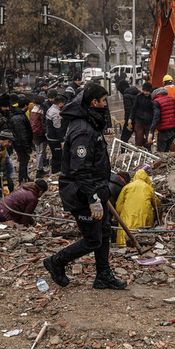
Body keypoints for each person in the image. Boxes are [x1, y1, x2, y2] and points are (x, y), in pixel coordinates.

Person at [43, 83, 127, 290]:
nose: (106, 105)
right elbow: (80, 170)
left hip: (96, 189)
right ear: (94, 102)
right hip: (81, 193)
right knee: (92, 240)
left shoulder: (91, 123)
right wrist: (93, 199)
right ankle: (56, 262)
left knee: (105, 232)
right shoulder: (83, 130)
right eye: (104, 101)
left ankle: (103, 275)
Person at [115, 168, 160, 247]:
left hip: (127, 216)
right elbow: (157, 204)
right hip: (143, 216)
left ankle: (123, 243)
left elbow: (119, 204)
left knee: (125, 230)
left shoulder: (127, 187)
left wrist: (118, 214)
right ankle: (140, 244)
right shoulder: (148, 188)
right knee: (141, 233)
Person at [9, 99, 33, 183]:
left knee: (24, 161)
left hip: (19, 143)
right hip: (20, 144)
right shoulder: (18, 117)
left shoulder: (19, 115)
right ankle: (22, 180)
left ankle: (25, 177)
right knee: (23, 161)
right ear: (26, 106)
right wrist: (27, 147)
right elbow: (22, 134)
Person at [148, 87, 175, 152]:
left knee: (161, 151)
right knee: (167, 150)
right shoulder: (172, 99)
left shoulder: (156, 102)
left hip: (164, 130)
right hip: (173, 129)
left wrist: (151, 131)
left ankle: (162, 162)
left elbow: (156, 117)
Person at [129, 82, 154, 149]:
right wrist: (130, 118)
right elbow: (134, 108)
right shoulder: (138, 97)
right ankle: (138, 150)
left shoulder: (153, 98)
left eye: (147, 91)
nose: (146, 92)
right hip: (139, 120)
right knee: (138, 137)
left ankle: (148, 151)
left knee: (149, 138)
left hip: (149, 121)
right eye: (144, 91)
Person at [45, 95, 66, 175]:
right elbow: (58, 128)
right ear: (60, 103)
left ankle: (54, 171)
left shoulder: (50, 109)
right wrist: (62, 140)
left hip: (50, 137)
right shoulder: (56, 113)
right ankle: (56, 172)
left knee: (55, 155)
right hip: (55, 139)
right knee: (58, 157)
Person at [30, 95, 48, 179]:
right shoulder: (40, 111)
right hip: (39, 134)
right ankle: (39, 170)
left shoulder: (33, 109)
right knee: (40, 152)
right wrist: (45, 132)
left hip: (34, 134)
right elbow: (42, 124)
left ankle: (40, 168)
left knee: (39, 151)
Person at [117, 78, 140, 142]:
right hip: (141, 119)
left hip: (131, 120)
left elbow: (128, 110)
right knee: (139, 139)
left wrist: (127, 122)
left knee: (123, 139)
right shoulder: (138, 92)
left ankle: (123, 151)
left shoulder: (126, 95)